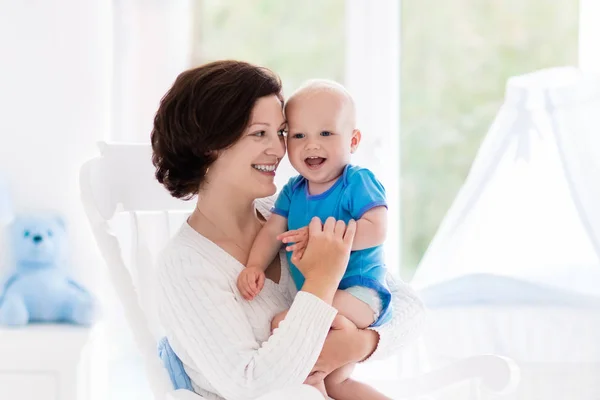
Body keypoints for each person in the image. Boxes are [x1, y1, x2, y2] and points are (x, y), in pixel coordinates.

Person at [152, 60, 424, 400]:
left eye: (281, 132)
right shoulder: (186, 266)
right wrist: (321, 281)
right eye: (259, 133)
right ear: (210, 145)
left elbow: (409, 306)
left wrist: (361, 343)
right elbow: (253, 387)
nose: (281, 149)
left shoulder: (292, 215)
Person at [237, 80, 392, 399]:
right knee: (336, 382)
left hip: (361, 293)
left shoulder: (357, 181)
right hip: (324, 298)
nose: (311, 145)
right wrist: (254, 265)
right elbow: (271, 232)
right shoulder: (293, 191)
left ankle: (339, 346)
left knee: (285, 323)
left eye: (325, 133)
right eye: (298, 135)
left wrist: (324, 242)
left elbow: (377, 228)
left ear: (353, 139)